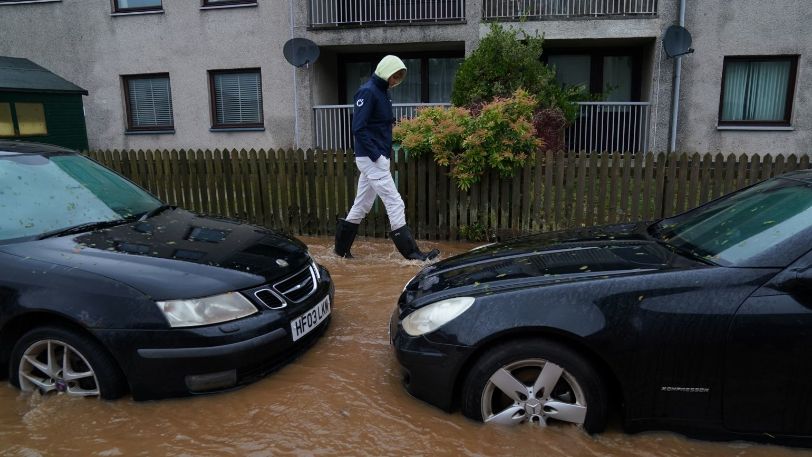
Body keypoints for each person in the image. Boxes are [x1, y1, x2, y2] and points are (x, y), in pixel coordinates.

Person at [334, 55, 439, 261]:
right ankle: (413, 255)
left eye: (399, 78)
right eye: (394, 77)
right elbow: (358, 127)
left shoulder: (382, 92)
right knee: (395, 202)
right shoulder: (368, 91)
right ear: (385, 71)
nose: (396, 82)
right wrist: (377, 156)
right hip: (372, 158)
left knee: (361, 205)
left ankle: (340, 253)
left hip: (376, 157)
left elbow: (380, 125)